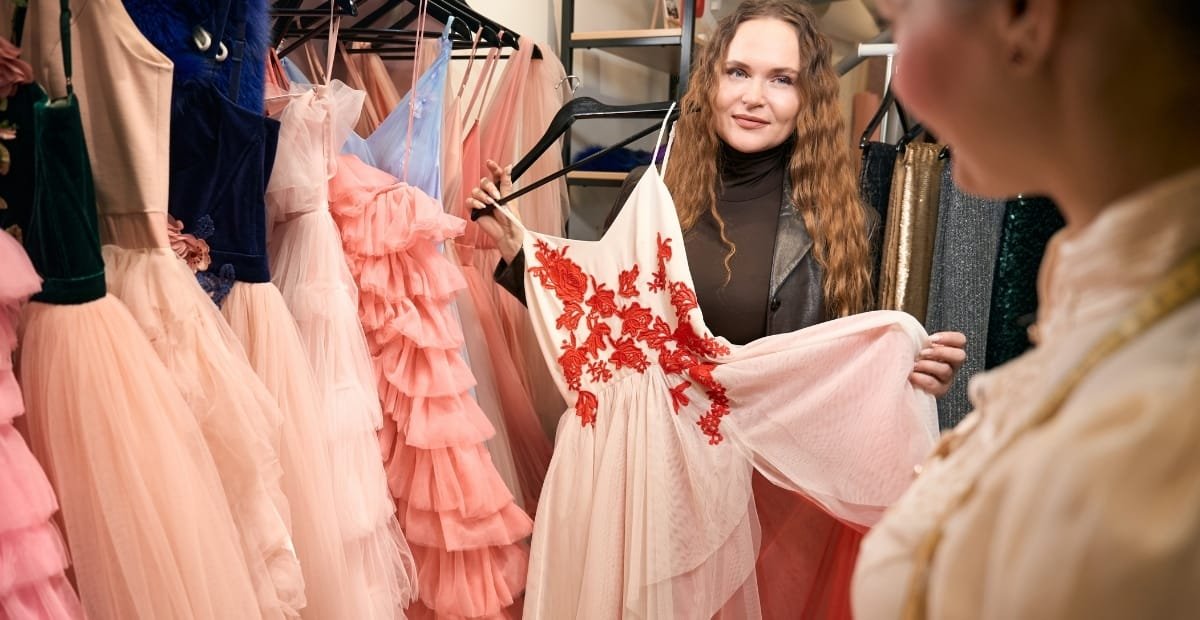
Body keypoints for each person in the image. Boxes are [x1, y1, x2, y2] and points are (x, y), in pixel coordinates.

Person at [469, 1, 966, 617]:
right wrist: (521, 253)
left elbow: (837, 380)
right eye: (738, 72)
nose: (755, 96)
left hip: (765, 515)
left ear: (808, 96)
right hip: (650, 504)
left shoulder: (843, 227)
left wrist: (911, 374)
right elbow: (606, 326)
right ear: (710, 80)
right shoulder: (648, 198)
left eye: (781, 79)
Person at [848, 0, 1200, 618]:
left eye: (899, 22)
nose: (898, 80)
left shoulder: (1153, 442)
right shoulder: (1106, 298)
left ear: (1027, 18)